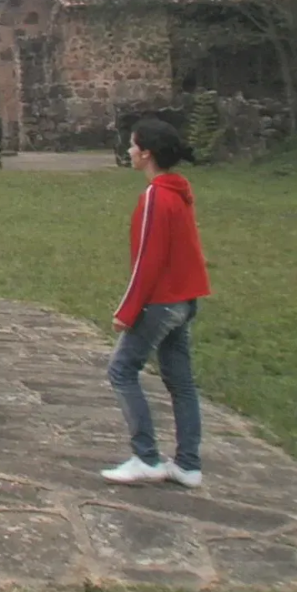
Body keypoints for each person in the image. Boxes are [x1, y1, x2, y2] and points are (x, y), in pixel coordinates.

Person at [100, 117, 211, 488]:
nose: (129, 151)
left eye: (133, 145)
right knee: (181, 382)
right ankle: (187, 464)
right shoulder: (178, 191)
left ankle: (146, 456)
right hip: (183, 299)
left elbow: (149, 259)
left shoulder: (156, 197)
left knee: (121, 369)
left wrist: (127, 311)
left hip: (161, 302)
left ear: (146, 153)